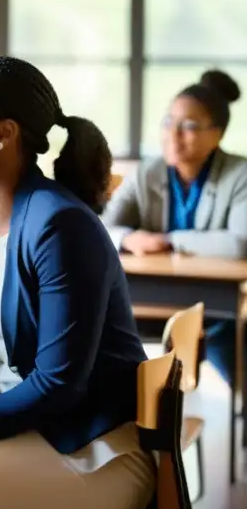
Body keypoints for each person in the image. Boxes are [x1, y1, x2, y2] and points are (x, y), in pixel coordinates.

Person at [0, 56, 154, 509]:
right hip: (24, 430)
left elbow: (59, 383)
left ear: (4, 134)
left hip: (91, 450)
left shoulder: (59, 225)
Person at [102, 69, 247, 385]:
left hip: (215, 309)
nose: (173, 133)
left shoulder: (240, 174)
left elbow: (239, 244)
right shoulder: (148, 172)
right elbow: (101, 227)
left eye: (189, 126)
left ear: (217, 134)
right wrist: (129, 238)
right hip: (147, 303)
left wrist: (168, 241)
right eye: (168, 121)